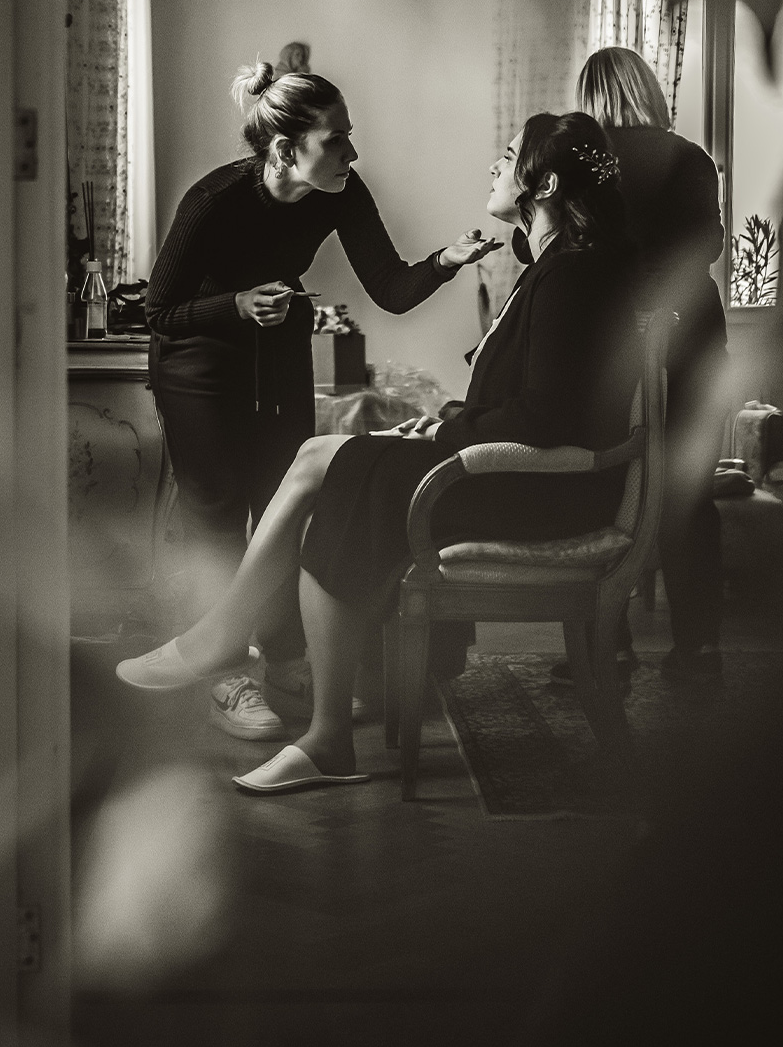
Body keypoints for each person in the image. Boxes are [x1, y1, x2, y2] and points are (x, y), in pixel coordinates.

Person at [119, 111, 640, 790]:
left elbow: (547, 417)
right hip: (510, 470)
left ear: (542, 185)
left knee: (342, 477)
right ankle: (252, 664)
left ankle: (273, 688)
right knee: (321, 456)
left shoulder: (571, 277)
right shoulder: (555, 270)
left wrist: (446, 431)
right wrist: (443, 423)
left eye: (510, 155)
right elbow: (531, 405)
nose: (494, 164)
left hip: (537, 491)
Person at [143, 44, 497, 739]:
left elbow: (391, 288)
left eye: (349, 136)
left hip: (276, 363)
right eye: (337, 140)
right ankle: (225, 677)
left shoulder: (342, 193)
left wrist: (445, 262)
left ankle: (285, 662)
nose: (351, 154)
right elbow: (159, 310)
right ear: (285, 149)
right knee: (216, 516)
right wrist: (235, 304)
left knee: (283, 507)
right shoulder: (213, 201)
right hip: (197, 370)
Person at [575, 46, 727, 683]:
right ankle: (698, 649)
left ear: (591, 97)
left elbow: (562, 250)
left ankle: (607, 647)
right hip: (692, 331)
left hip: (610, 340)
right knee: (688, 492)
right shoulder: (690, 157)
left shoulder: (582, 160)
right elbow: (709, 244)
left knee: (606, 488)